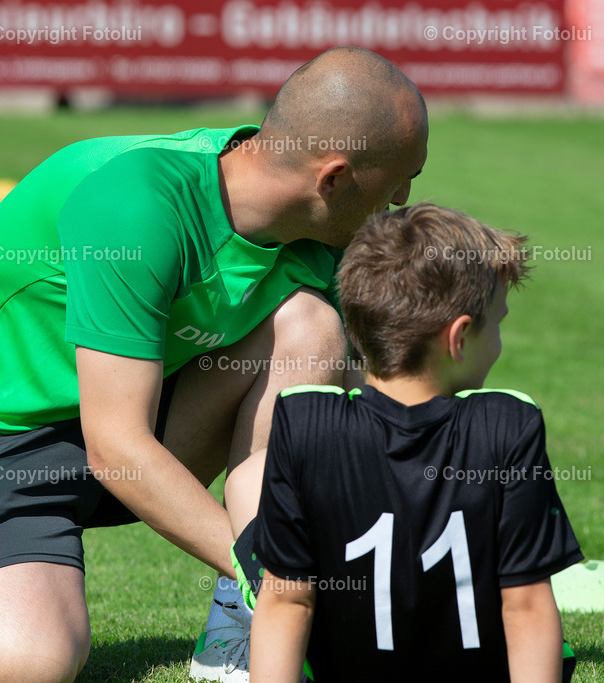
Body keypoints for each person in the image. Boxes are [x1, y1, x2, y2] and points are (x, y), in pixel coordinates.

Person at [0, 46, 428, 683]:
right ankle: (255, 581)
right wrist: (284, 582)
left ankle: (242, 616)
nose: (403, 198)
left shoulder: (312, 231)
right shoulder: (136, 205)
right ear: (333, 179)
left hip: (135, 421)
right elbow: (117, 447)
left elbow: (373, 410)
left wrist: (461, 541)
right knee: (28, 666)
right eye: (397, 182)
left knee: (310, 327)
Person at [248, 203, 583, 682]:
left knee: (244, 485)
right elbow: (526, 607)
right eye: (498, 322)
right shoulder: (507, 427)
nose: (501, 342)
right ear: (460, 338)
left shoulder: (304, 423)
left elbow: (287, 600)